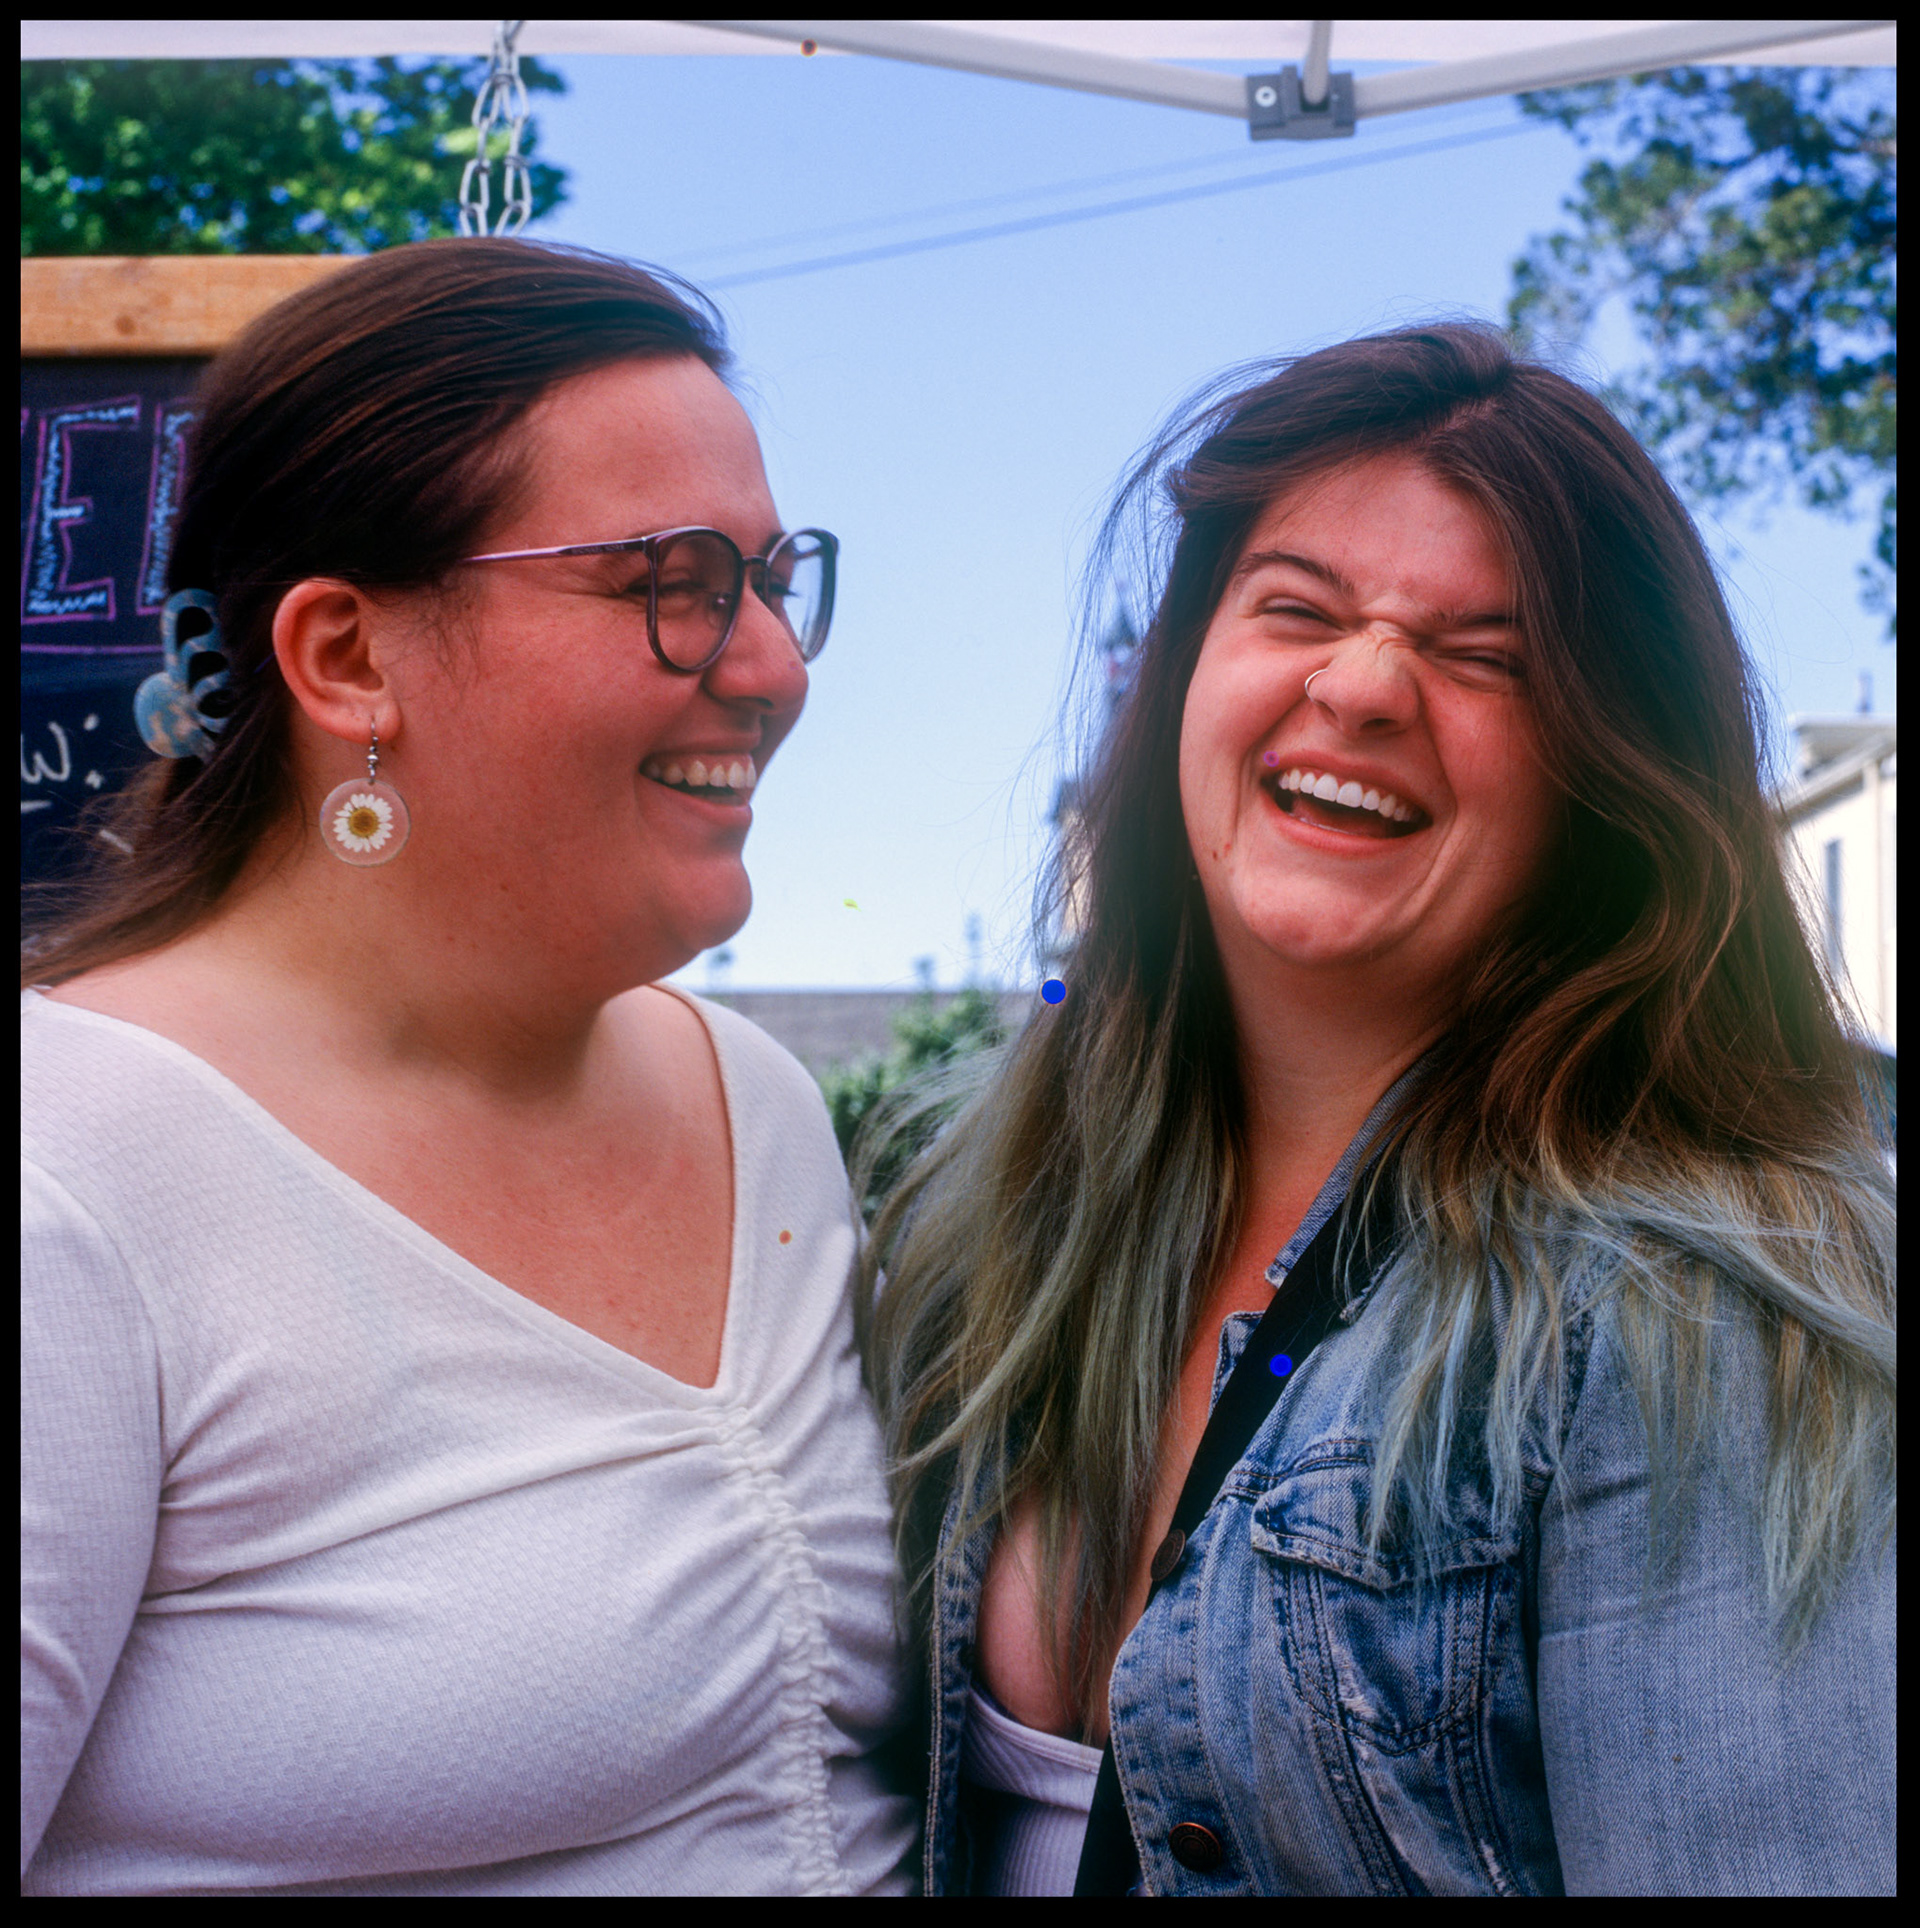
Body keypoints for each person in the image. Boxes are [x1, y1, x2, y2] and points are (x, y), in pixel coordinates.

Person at [862, 322, 1896, 1896]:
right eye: (1296, 609)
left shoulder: (1714, 1306)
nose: (1359, 685)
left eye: (1488, 657)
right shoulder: (974, 1217)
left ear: (1604, 777)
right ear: (1185, 676)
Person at [21, 238, 917, 1896]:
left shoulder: (756, 1103)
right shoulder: (66, 1179)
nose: (776, 666)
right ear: (347, 657)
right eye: (666, 579)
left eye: (773, 576)